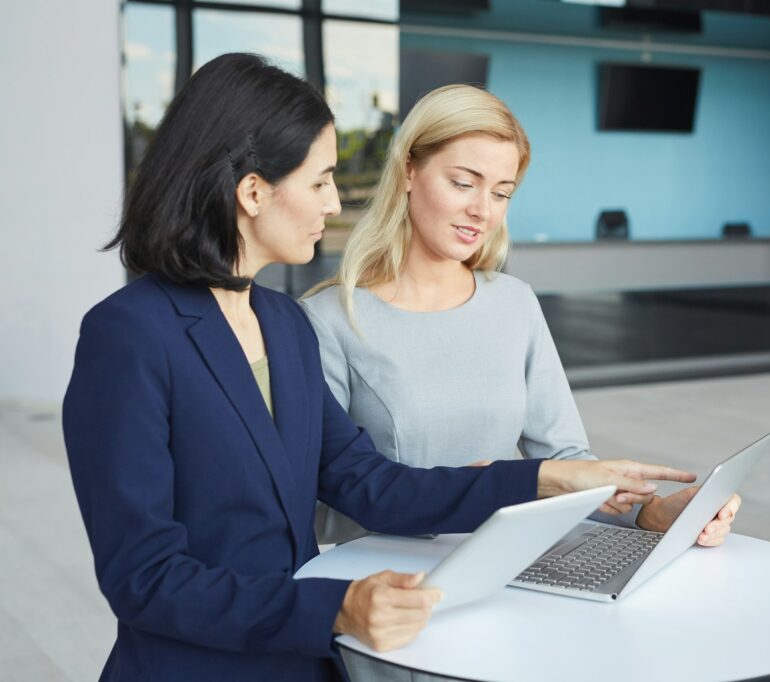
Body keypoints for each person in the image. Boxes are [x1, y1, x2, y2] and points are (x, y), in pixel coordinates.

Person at [62, 54, 696, 682]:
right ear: (253, 192)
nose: (335, 204)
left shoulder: (282, 324)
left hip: (307, 660)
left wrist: (541, 480)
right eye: (320, 182)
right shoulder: (129, 334)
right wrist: (334, 607)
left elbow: (371, 485)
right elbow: (144, 577)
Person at [301, 84, 742, 680]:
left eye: (502, 192)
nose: (483, 209)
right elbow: (328, 493)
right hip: (391, 606)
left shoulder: (513, 303)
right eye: (464, 182)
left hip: (505, 593)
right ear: (409, 170)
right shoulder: (331, 318)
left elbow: (563, 461)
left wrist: (653, 516)